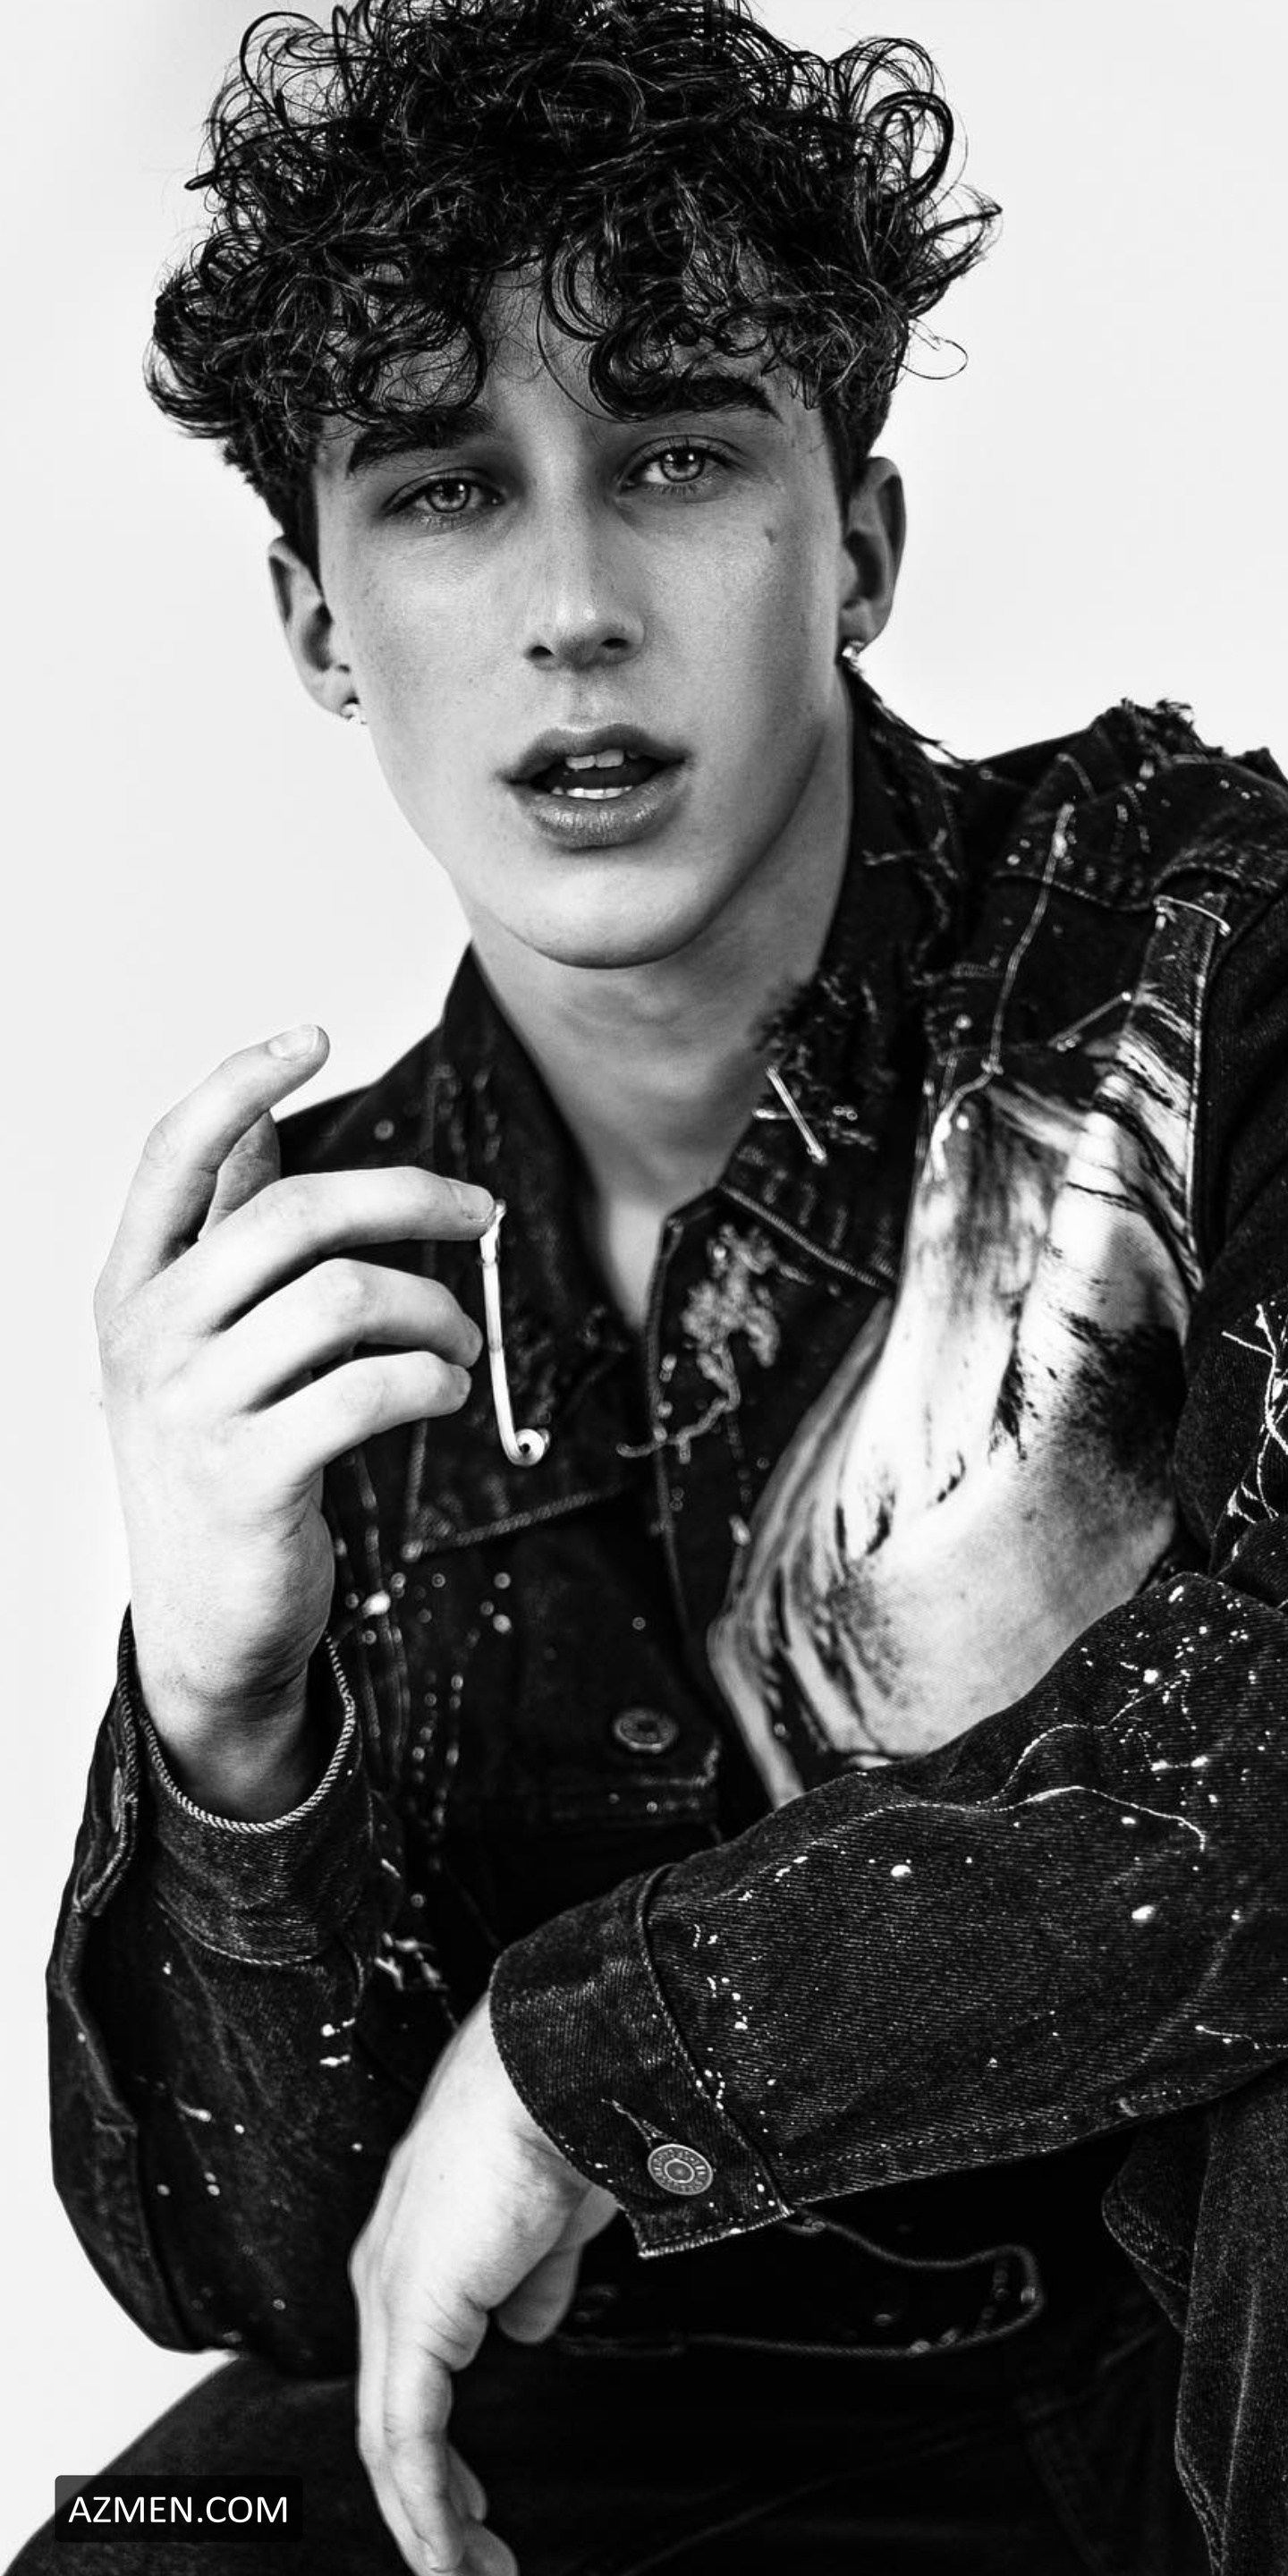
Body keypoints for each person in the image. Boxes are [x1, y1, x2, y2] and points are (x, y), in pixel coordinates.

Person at [13, 0, 1288, 2568]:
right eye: (447, 491)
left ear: (863, 547)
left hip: (1220, 2359)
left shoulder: (1201, 947)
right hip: (743, 2417)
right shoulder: (339, 1255)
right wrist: (226, 1715)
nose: (576, 609)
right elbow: (263, 2281)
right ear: (319, 623)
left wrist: (585, 2058)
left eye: (681, 456)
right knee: (153, 2546)